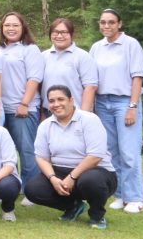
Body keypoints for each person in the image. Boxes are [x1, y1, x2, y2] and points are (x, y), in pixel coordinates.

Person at [24, 85, 117, 230]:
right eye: (52, 101)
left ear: (71, 100)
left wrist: (72, 177)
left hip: (96, 172)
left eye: (61, 99)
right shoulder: (45, 125)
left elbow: (95, 156)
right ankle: (73, 206)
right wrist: (52, 178)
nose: (56, 104)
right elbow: (41, 157)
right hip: (60, 171)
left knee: (90, 180)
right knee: (32, 189)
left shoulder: (90, 120)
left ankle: (97, 215)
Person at [90, 8, 143, 215]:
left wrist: (132, 107)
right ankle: (121, 195)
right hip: (102, 102)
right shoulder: (97, 47)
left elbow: (137, 77)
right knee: (111, 151)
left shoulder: (131, 44)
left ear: (119, 24)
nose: (106, 26)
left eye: (111, 22)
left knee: (129, 152)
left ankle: (135, 197)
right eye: (103, 22)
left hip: (124, 102)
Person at [0, 12, 45, 190]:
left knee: (26, 150)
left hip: (22, 109)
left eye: (15, 25)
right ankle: (12, 185)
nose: (11, 28)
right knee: (5, 152)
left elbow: (34, 78)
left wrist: (24, 103)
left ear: (23, 27)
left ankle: (31, 188)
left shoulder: (30, 49)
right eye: (7, 25)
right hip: (1, 109)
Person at [43, 18, 98, 114]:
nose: (59, 36)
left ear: (71, 34)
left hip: (74, 112)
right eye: (55, 32)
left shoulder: (83, 56)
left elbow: (90, 87)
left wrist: (83, 116)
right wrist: (42, 113)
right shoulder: (43, 56)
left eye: (64, 32)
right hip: (49, 112)